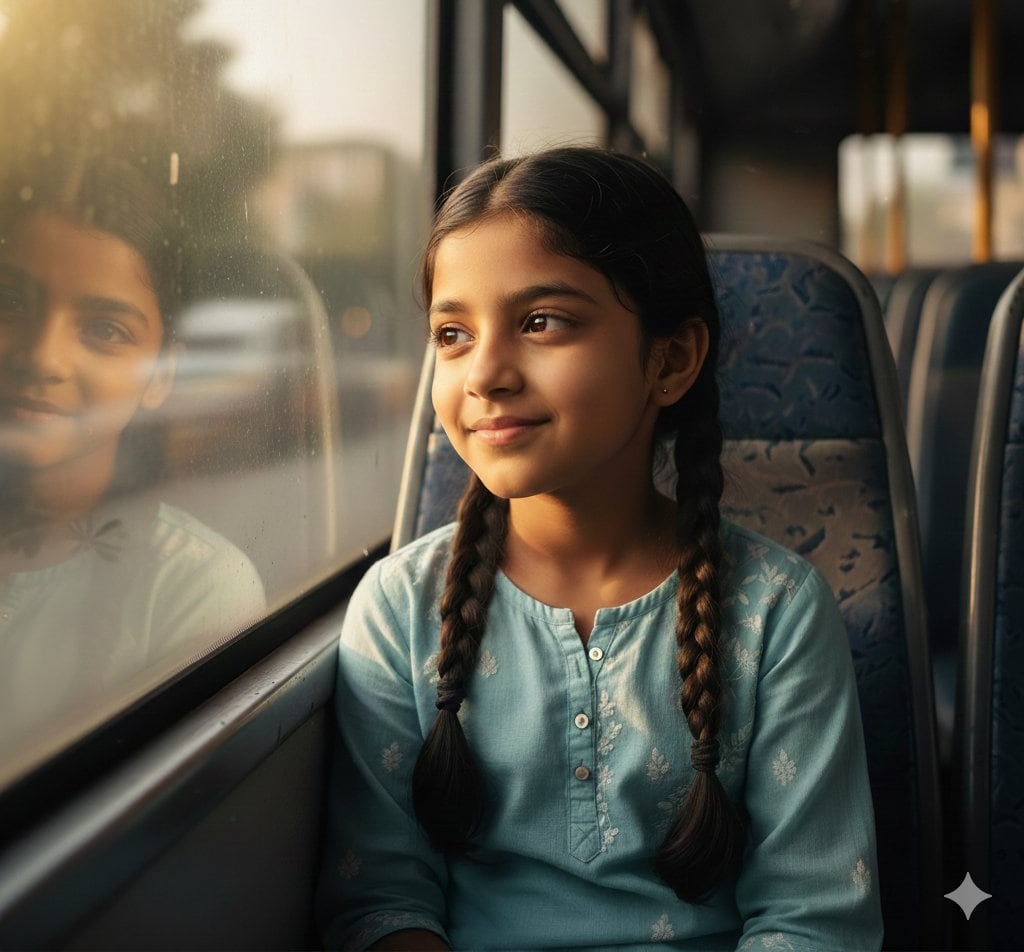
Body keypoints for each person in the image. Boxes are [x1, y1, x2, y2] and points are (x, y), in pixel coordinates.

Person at [318, 148, 882, 951]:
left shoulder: (776, 613)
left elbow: (816, 921)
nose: (485, 374)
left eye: (542, 322)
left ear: (670, 359)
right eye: (452, 333)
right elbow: (379, 900)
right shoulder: (398, 607)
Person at [0, 153, 265, 785]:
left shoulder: (191, 594)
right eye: (10, 302)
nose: (43, 357)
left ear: (162, 374)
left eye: (104, 329)